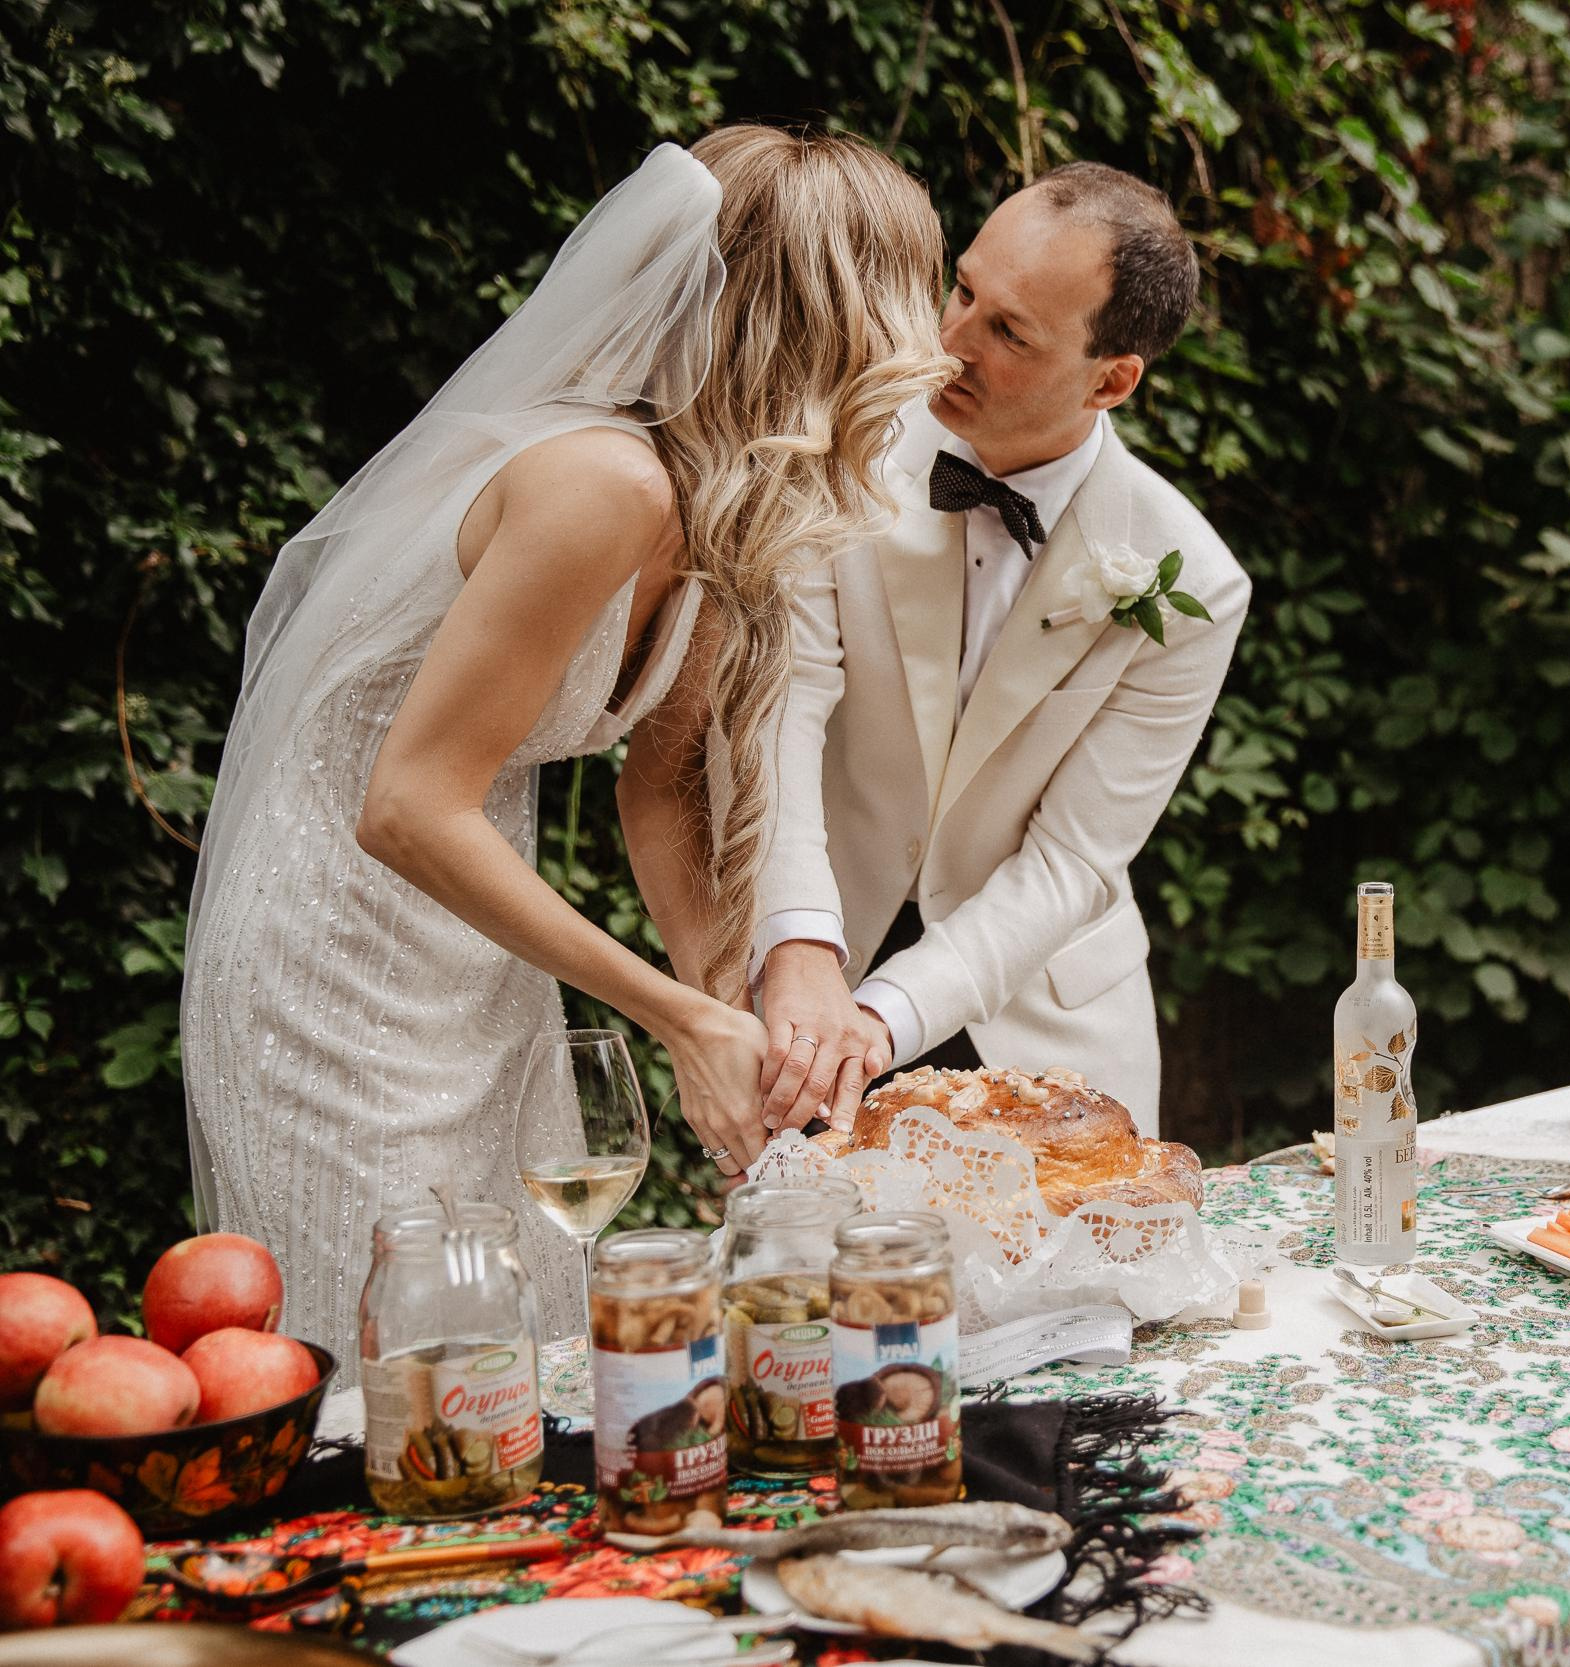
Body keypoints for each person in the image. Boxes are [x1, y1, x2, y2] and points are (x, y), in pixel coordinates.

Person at [181, 129, 953, 1359]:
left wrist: (729, 1005)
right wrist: (679, 1023)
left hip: (478, 952)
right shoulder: (603, 482)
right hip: (330, 965)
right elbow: (407, 806)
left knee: (523, 1339)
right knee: (408, 1347)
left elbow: (659, 791)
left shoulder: (715, 501)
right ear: (833, 322)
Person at [705, 162, 1252, 1135]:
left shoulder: (1193, 580)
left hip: (1048, 1030)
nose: (948, 342)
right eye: (962, 290)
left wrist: (883, 1014)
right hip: (812, 982)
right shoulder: (840, 444)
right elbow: (780, 709)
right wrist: (798, 948)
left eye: (1009, 333)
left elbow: (1072, 861)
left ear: (1112, 379)